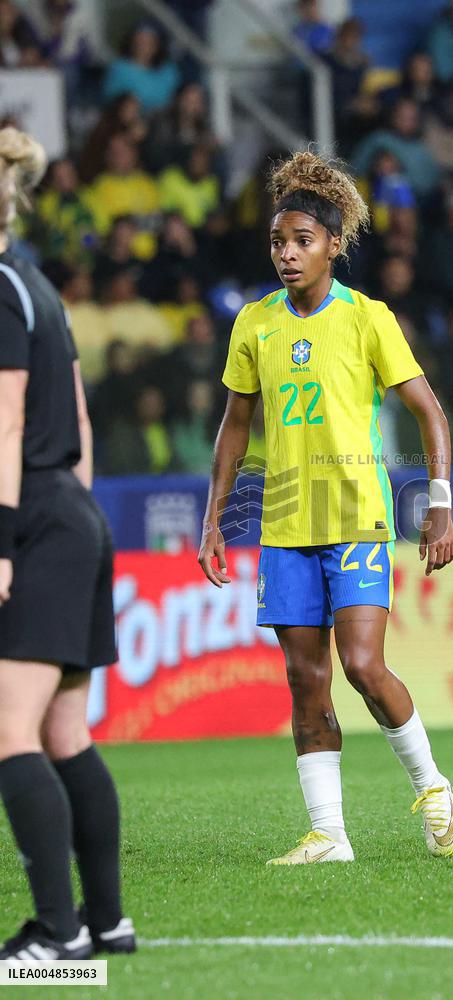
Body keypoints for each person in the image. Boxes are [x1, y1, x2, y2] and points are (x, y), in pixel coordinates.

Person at [197, 151, 453, 865]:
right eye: (279, 243)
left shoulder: (367, 318)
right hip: (285, 522)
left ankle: (431, 785)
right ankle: (329, 834)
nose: (288, 255)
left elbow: (429, 413)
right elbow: (235, 425)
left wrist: (439, 504)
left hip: (355, 518)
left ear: (333, 246)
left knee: (363, 666)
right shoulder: (254, 323)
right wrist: (214, 517)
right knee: (303, 680)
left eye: (303, 242)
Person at [0, 127, 134, 960]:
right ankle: (106, 922)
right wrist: (68, 527)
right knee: (64, 734)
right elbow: (78, 424)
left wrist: (8, 541)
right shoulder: (37, 285)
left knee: (9, 734)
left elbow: (5, 421)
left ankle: (57, 934)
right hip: (74, 515)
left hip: (34, 520)